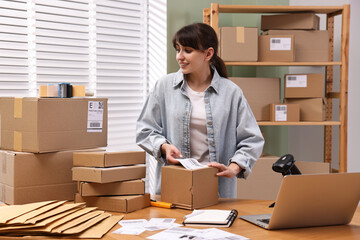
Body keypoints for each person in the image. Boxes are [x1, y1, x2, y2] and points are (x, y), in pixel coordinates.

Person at [136, 23, 264, 198]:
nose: (179, 57)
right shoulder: (164, 87)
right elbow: (145, 130)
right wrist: (164, 147)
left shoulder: (231, 92)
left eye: (187, 50)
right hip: (174, 186)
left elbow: (252, 139)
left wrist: (233, 168)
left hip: (217, 189)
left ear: (208, 54)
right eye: (177, 49)